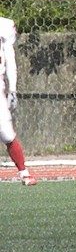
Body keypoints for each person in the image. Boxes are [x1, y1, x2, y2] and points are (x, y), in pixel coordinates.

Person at [0, 16, 36, 186]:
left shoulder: (4, 25)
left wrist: (12, 88)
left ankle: (23, 171)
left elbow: (10, 57)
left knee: (7, 133)